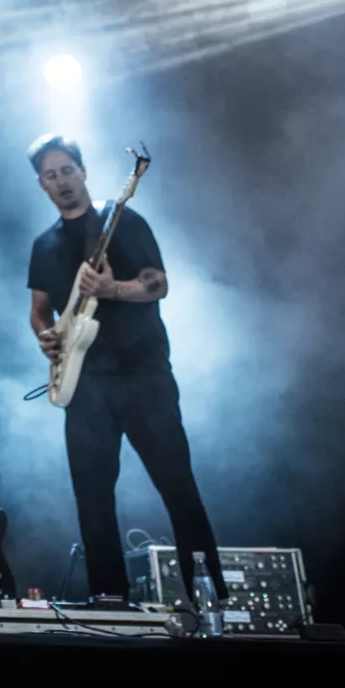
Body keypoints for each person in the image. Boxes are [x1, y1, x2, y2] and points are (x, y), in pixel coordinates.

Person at [24, 134, 224, 608]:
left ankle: (209, 598)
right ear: (41, 184)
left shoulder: (122, 220)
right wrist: (47, 336)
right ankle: (109, 601)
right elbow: (39, 310)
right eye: (51, 175)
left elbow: (159, 284)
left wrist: (113, 290)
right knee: (92, 501)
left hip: (143, 376)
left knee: (177, 485)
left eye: (67, 170)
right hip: (85, 385)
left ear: (84, 171)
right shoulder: (44, 244)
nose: (62, 181)